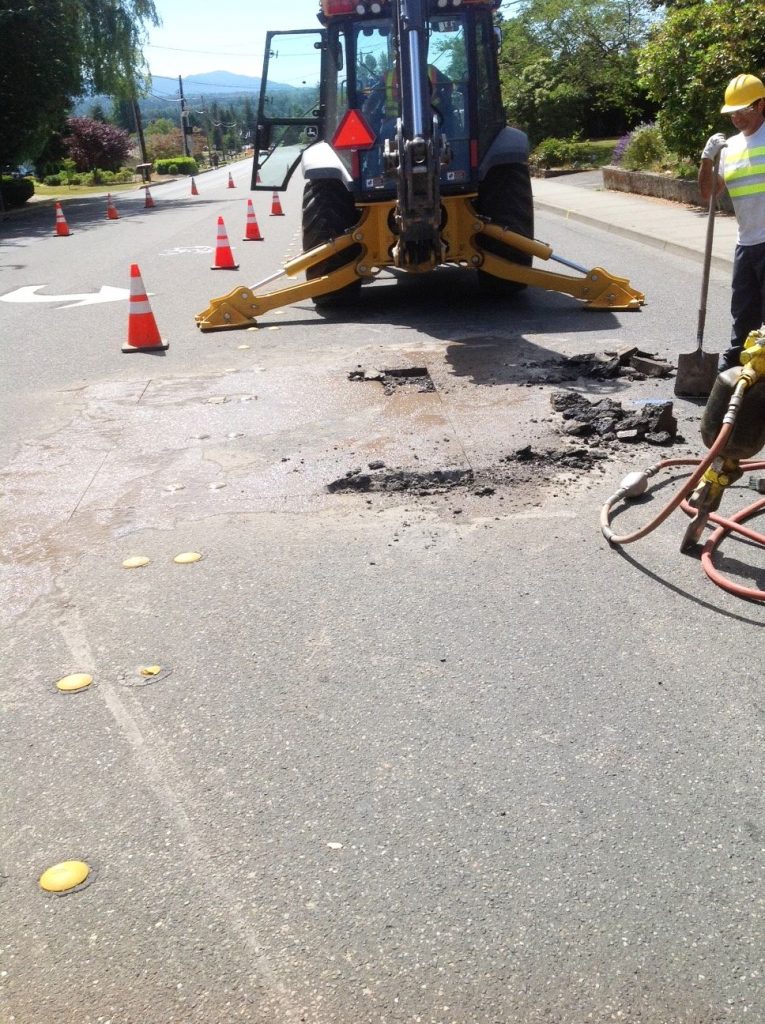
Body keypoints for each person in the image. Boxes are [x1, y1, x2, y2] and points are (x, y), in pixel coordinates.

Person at [699, 73, 765, 371]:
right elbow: (709, 193)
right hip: (746, 242)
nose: (736, 117)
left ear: (761, 104)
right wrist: (707, 159)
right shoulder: (730, 148)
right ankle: (736, 367)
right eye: (732, 112)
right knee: (743, 311)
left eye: (743, 110)